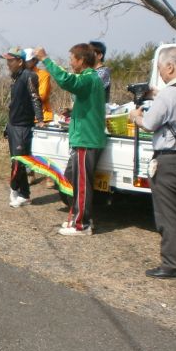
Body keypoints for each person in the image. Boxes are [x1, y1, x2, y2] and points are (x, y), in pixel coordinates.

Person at [129, 47, 176, 278]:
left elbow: (150, 123)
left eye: (161, 69)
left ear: (170, 66)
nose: (161, 74)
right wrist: (156, 93)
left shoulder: (170, 94)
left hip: (170, 161)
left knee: (169, 215)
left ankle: (172, 265)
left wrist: (135, 117)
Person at [35, 44, 107, 235]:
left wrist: (45, 59)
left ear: (81, 60)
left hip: (86, 139)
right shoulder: (92, 80)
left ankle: (81, 224)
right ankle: (78, 216)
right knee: (73, 179)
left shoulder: (88, 78)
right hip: (84, 138)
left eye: (72, 58)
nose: (70, 62)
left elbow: (66, 80)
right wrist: (73, 111)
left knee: (82, 183)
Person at [2, 47, 44, 208]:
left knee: (18, 162)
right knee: (16, 160)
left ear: (20, 61)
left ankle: (15, 189)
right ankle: (24, 194)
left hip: (23, 126)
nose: (8, 64)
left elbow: (35, 98)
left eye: (10, 61)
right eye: (7, 60)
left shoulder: (29, 76)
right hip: (13, 125)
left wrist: (39, 119)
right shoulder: (15, 77)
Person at [23, 48, 53, 123]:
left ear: (34, 60)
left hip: (42, 118)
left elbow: (41, 96)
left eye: (27, 61)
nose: (25, 63)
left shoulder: (43, 75)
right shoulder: (21, 75)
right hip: (24, 117)